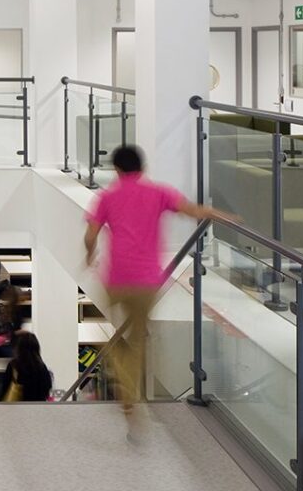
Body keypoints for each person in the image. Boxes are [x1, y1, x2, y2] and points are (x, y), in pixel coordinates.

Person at [83, 146, 232, 421]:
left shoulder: (107, 197)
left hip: (116, 278)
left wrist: (89, 255)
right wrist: (221, 215)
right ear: (142, 168)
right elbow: (192, 210)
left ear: (116, 169)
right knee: (139, 340)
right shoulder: (158, 192)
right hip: (146, 281)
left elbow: (91, 235)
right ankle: (130, 394)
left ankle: (119, 375)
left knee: (112, 333)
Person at [0, 331, 52, 402]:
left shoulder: (14, 366)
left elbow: (4, 390)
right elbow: (46, 391)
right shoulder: (42, 367)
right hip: (38, 409)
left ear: (19, 348)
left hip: (18, 409)